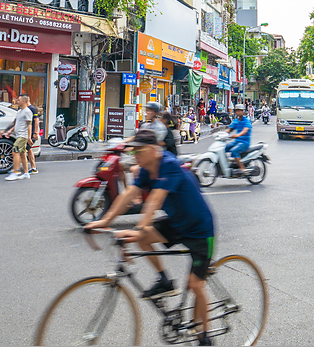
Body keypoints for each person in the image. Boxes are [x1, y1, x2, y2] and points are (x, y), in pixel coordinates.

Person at [85, 129, 216, 346]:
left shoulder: (169, 165)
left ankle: (205, 336)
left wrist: (139, 228)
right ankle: (164, 279)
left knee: (195, 284)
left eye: (139, 151)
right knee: (142, 238)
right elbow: (128, 195)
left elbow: (155, 200)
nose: (135, 156)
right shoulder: (146, 168)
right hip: (176, 222)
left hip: (201, 230)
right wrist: (104, 221)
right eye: (133, 151)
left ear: (154, 149)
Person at [1, 95, 33, 181]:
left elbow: (29, 125)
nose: (17, 101)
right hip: (19, 135)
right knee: (22, 154)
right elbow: (14, 123)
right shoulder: (19, 112)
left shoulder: (27, 112)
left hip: (23, 136)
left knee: (15, 151)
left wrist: (29, 138)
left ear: (23, 101)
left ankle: (15, 172)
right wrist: (7, 131)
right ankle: (26, 173)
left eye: (18, 100)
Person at [224, 103, 252, 175]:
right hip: (237, 141)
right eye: (237, 111)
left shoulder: (247, 120)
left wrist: (237, 135)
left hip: (244, 142)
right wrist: (221, 134)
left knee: (234, 151)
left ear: (243, 111)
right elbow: (229, 130)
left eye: (240, 110)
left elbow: (245, 130)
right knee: (224, 148)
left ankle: (242, 168)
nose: (238, 112)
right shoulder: (235, 121)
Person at [23, 94, 40, 175]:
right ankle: (33, 168)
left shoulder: (32, 109)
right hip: (27, 133)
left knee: (25, 150)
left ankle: (33, 168)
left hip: (31, 133)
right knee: (28, 150)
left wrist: (35, 133)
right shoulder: (26, 109)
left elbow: (36, 120)